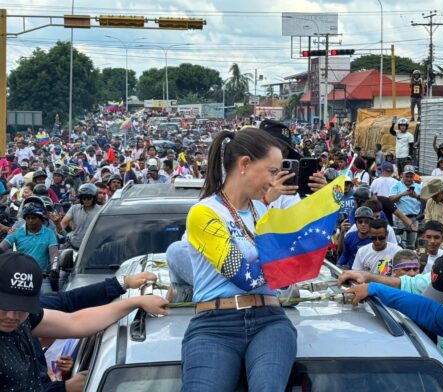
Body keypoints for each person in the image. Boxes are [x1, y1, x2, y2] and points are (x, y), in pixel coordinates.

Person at [182, 128, 297, 391]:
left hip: (270, 320)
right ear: (244, 164)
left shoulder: (263, 208)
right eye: (271, 171)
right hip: (214, 327)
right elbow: (246, 277)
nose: (274, 180)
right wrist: (291, 256)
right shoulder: (204, 213)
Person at [0, 251, 169, 392]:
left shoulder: (26, 319)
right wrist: (63, 388)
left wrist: (134, 302)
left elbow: (75, 321)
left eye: (22, 308)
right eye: (5, 306)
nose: (12, 316)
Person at [0, 201, 58, 294]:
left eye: (34, 218)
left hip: (41, 277)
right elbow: (2, 248)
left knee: (48, 298)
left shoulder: (49, 233)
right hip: (20, 277)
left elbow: (53, 252)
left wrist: (54, 267)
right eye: (28, 218)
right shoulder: (16, 232)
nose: (30, 221)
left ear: (41, 218)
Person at [59, 183, 101, 250]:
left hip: (90, 248)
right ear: (81, 198)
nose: (86, 200)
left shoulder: (101, 211)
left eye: (89, 197)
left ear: (94, 197)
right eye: (84, 197)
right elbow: (63, 224)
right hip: (73, 245)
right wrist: (57, 223)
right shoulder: (74, 208)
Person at [389, 165, 421, 250]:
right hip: (401, 218)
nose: (409, 179)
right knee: (401, 243)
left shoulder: (418, 186)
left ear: (414, 176)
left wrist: (416, 196)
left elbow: (425, 200)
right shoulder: (397, 185)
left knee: (411, 245)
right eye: (407, 176)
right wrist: (403, 194)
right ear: (402, 175)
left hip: (414, 218)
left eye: (411, 176)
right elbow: (391, 200)